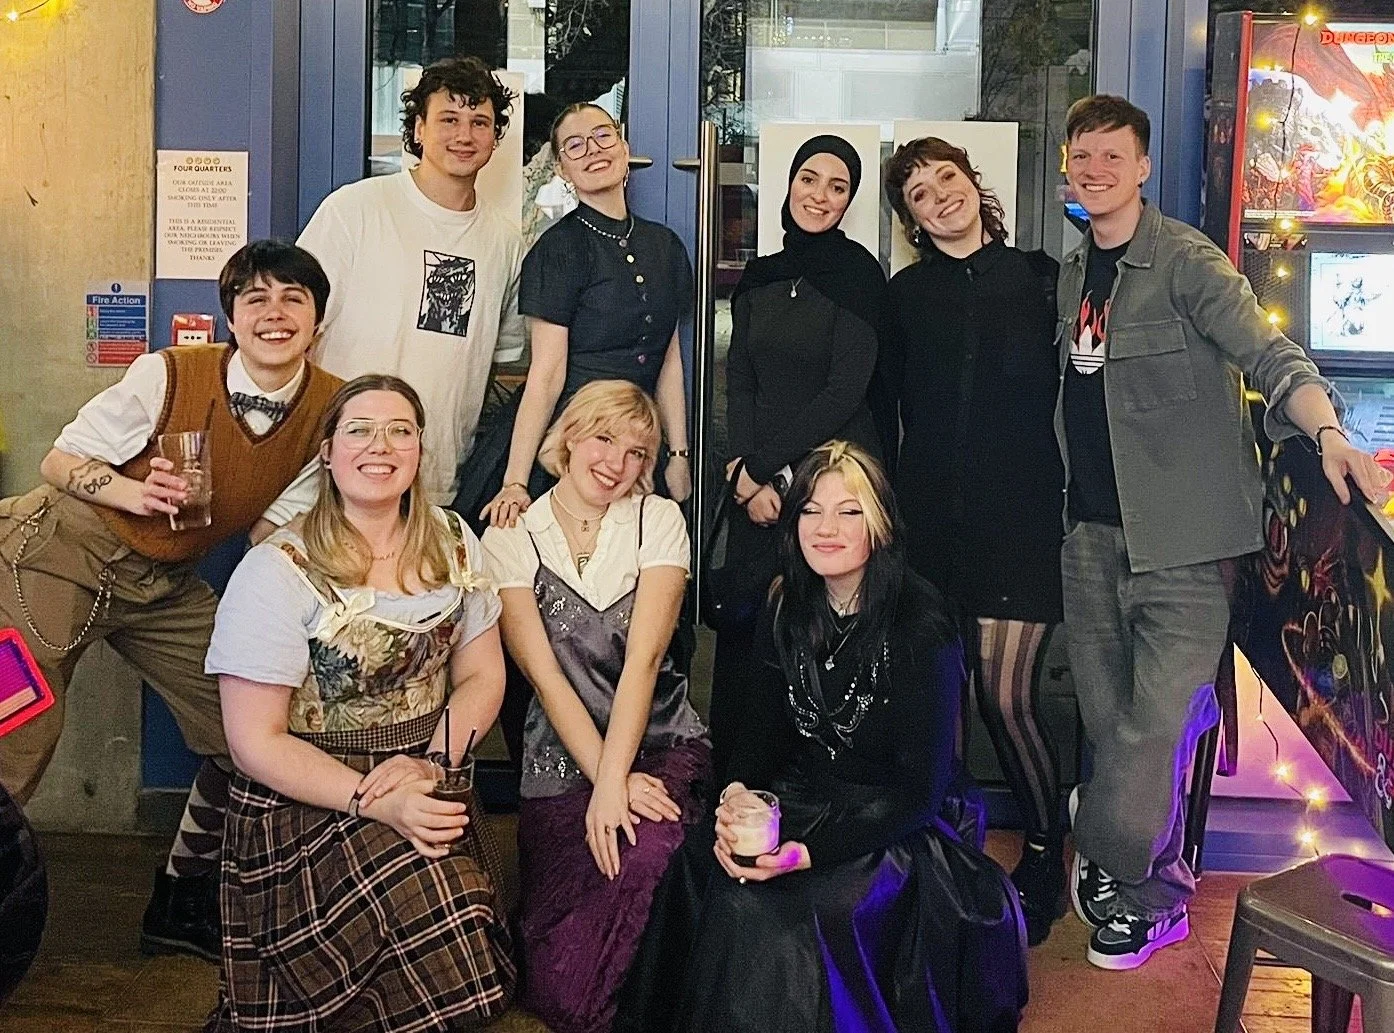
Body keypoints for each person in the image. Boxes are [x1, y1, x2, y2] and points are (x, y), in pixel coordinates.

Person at [1057, 95, 1389, 970]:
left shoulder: (1187, 261)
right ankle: (1153, 880)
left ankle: (1120, 857)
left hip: (1186, 546)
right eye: (1082, 156)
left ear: (1143, 167)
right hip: (1089, 539)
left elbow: (1273, 358)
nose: (1096, 170)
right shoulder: (1072, 270)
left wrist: (1329, 434)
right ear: (1067, 169)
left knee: (1148, 732)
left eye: (1113, 156)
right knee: (1115, 725)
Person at [0, 241, 342, 961]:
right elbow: (59, 460)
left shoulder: (327, 409)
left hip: (163, 582)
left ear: (319, 320)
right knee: (15, 733)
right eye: (255, 298)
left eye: (293, 298)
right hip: (58, 555)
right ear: (232, 318)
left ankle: (181, 901)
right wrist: (135, 492)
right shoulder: (167, 372)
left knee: (249, 725)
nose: (274, 313)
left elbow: (274, 530)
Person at [619, 441, 1026, 1033]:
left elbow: (920, 792)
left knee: (772, 912)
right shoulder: (786, 603)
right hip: (803, 793)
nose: (825, 528)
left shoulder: (921, 621)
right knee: (699, 865)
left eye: (848, 511)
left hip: (892, 822)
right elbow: (759, 736)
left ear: (879, 525)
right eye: (810, 510)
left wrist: (805, 853)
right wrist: (737, 794)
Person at [203, 375, 515, 1032]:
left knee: (458, 926)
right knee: (442, 902)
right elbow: (254, 741)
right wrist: (373, 801)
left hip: (425, 771)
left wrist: (431, 763)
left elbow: (482, 675)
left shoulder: (455, 541)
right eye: (360, 430)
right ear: (327, 452)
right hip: (309, 798)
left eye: (400, 430)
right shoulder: (278, 568)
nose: (381, 445)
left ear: (420, 449)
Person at [879, 136, 1067, 945]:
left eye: (945, 178)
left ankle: (1047, 849)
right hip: (928, 522)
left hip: (1019, 519)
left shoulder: (1042, 280)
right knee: (942, 698)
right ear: (912, 220)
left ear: (973, 183)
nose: (938, 197)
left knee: (1004, 695)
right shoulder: (905, 294)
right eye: (918, 194)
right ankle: (951, 857)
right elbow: (888, 406)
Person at [482, 380, 709, 1033]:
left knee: (646, 849)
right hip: (558, 757)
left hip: (659, 743)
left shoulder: (656, 519)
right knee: (554, 967)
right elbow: (546, 677)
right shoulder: (511, 535)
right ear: (570, 435)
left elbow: (644, 662)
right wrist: (607, 782)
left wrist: (616, 783)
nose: (617, 463)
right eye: (605, 438)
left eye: (638, 452)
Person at [710, 133, 885, 783]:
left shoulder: (859, 277)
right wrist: (743, 470)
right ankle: (733, 787)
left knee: (818, 642)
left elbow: (845, 391)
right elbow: (742, 380)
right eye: (809, 179)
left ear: (848, 202)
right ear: (788, 184)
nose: (819, 196)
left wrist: (771, 473)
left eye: (837, 187)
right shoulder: (761, 274)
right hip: (756, 486)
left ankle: (807, 794)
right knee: (745, 636)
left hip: (827, 486)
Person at [289, 56, 526, 508]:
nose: (464, 135)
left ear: (495, 138)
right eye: (448, 119)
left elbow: (501, 359)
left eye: (479, 123)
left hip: (437, 483)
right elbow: (294, 332)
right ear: (418, 129)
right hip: (335, 477)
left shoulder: (504, 243)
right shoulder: (353, 210)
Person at [480, 102, 694, 528]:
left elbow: (668, 360)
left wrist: (678, 453)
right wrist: (515, 481)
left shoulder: (665, 246)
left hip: (638, 443)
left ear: (624, 147)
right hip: (570, 442)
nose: (593, 149)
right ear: (562, 170)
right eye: (575, 146)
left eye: (602, 136)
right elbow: (546, 374)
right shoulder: (557, 249)